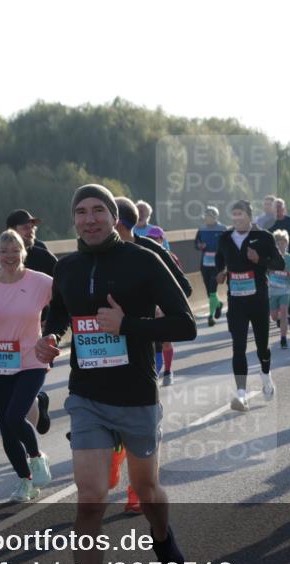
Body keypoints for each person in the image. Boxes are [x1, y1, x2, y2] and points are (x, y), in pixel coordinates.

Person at [35, 184, 196, 564]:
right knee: (90, 496)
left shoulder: (144, 260)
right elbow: (60, 314)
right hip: (86, 396)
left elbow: (184, 323)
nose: (90, 219)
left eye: (98, 210)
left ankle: (162, 538)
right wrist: (51, 338)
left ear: (112, 216)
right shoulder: (66, 267)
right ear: (74, 221)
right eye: (81, 212)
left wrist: (129, 326)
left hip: (137, 396)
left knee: (146, 492)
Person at [113, 196, 194, 512]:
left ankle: (137, 487)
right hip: (104, 345)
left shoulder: (152, 250)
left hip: (142, 340)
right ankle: (116, 452)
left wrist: (159, 307)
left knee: (140, 410)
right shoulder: (92, 254)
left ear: (117, 221)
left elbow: (184, 289)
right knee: (107, 406)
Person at [0, 230, 53, 503]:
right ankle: (25, 481)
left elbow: (66, 299)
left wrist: (55, 332)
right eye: (4, 251)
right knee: (6, 428)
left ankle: (37, 457)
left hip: (31, 360)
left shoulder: (39, 281)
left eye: (15, 251)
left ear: (23, 252)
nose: (10, 256)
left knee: (15, 417)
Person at [0, 209, 58, 435]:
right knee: (17, 398)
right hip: (3, 345)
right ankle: (36, 409)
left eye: (33, 226)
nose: (32, 229)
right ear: (11, 230)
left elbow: (62, 293)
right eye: (26, 226)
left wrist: (50, 325)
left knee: (21, 398)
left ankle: (29, 440)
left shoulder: (43, 255)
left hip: (34, 338)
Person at [216, 200, 286, 412]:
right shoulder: (225, 238)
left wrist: (259, 259)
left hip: (258, 300)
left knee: (262, 346)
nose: (237, 218)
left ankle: (266, 376)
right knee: (238, 347)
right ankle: (241, 395)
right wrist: (219, 274)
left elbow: (279, 264)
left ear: (249, 216)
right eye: (234, 214)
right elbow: (219, 264)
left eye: (241, 214)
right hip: (236, 301)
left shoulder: (264, 237)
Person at [268, 198, 290, 330]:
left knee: (287, 291)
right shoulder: (270, 223)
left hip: (289, 259)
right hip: (274, 261)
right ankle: (278, 317)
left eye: (280, 207)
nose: (277, 210)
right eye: (275, 208)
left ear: (284, 209)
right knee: (275, 290)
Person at [194, 206, 228, 326]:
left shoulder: (222, 229)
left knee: (213, 290)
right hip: (205, 263)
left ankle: (211, 316)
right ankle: (218, 304)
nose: (206, 219)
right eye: (205, 216)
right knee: (209, 292)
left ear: (215, 217)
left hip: (217, 264)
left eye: (208, 216)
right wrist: (200, 246)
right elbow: (196, 243)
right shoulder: (202, 229)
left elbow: (228, 245)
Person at [268, 230, 290, 349]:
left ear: (287, 244)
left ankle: (283, 339)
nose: (281, 245)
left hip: (285, 291)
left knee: (284, 312)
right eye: (278, 243)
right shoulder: (270, 257)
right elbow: (264, 270)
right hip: (272, 291)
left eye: (283, 242)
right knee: (274, 316)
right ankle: (281, 320)